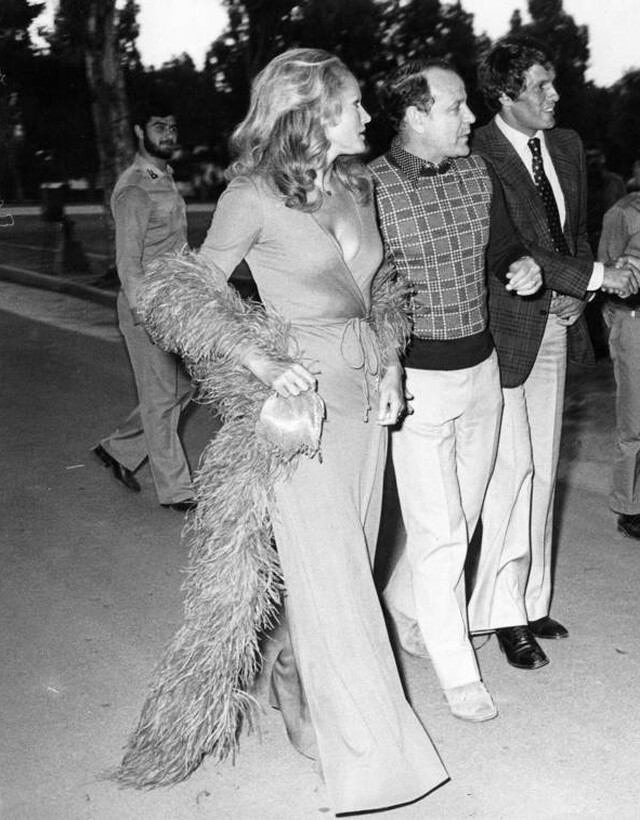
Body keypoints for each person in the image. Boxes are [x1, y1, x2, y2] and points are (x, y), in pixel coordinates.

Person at [114, 49, 447, 815]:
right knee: (339, 583)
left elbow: (378, 288)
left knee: (346, 567)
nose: (368, 115)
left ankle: (291, 673)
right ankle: (372, 763)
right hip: (301, 409)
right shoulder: (251, 195)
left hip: (364, 395)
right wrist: (255, 358)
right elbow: (175, 294)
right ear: (310, 113)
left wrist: (392, 365)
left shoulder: (356, 184)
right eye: (355, 103)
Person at [368, 58, 543, 723]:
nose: (471, 117)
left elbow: (501, 246)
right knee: (440, 531)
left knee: (460, 518)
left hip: (482, 372)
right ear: (416, 116)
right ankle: (457, 669)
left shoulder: (478, 172)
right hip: (415, 382)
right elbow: (364, 288)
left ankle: (404, 601)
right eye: (455, 107)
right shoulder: (370, 189)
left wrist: (520, 265)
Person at [469, 37, 640, 669]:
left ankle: (531, 598)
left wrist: (578, 295)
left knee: (543, 467)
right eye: (540, 86)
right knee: (510, 471)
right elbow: (510, 246)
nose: (555, 95)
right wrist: (597, 278)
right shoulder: (477, 152)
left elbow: (574, 235)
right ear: (504, 95)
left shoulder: (564, 146)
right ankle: (500, 613)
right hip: (503, 329)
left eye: (553, 82)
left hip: (556, 322)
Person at [93, 101, 195, 512]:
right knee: (161, 398)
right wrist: (144, 315)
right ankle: (177, 491)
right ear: (139, 131)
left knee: (183, 386)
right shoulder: (135, 187)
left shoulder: (163, 177)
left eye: (172, 126)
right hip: (147, 307)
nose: (168, 133)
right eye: (158, 126)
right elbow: (128, 262)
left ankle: (118, 450)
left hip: (174, 305)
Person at [599, 192, 640, 538]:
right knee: (635, 421)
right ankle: (630, 506)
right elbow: (605, 274)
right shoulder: (623, 213)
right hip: (634, 321)